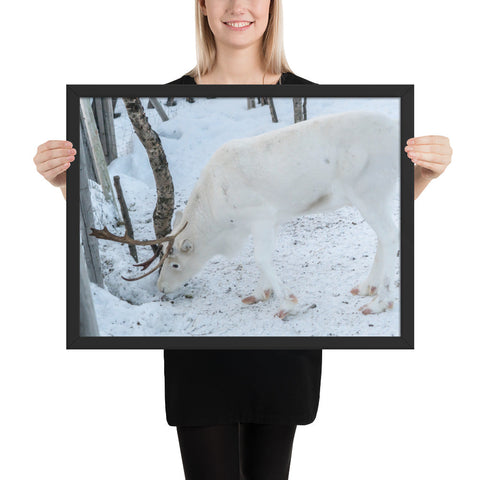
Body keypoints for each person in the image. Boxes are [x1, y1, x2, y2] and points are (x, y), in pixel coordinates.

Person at [33, 1, 452, 479]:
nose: (238, 7)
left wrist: (425, 176)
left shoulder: (320, 102)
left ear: (273, 8)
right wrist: (66, 186)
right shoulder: (159, 96)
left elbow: (383, 202)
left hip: (283, 364)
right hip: (201, 372)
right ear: (203, 7)